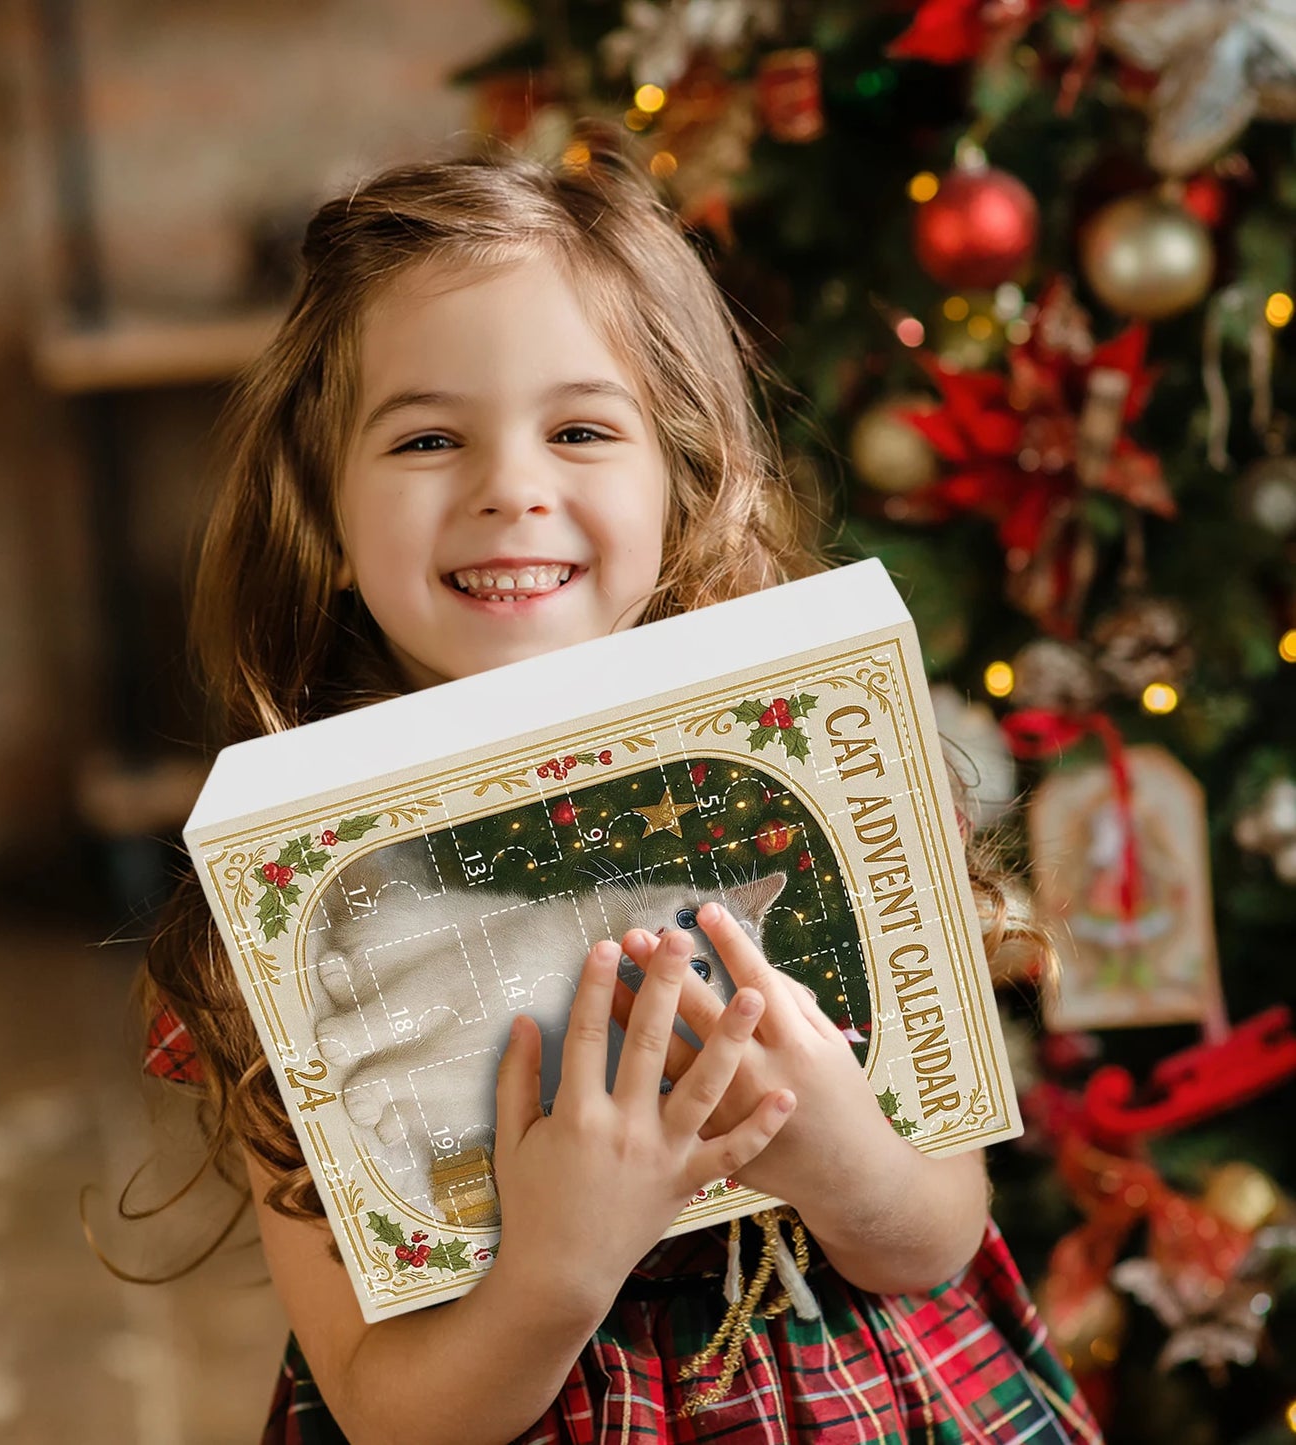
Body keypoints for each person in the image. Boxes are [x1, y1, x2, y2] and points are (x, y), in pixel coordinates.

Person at [133, 137, 1103, 1445]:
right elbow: (385, 1408)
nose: (509, 489)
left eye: (581, 430)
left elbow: (935, 1235)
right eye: (427, 437)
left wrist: (841, 1155)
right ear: (327, 521)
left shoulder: (822, 777)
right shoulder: (288, 901)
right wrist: (556, 1268)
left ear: (681, 481)